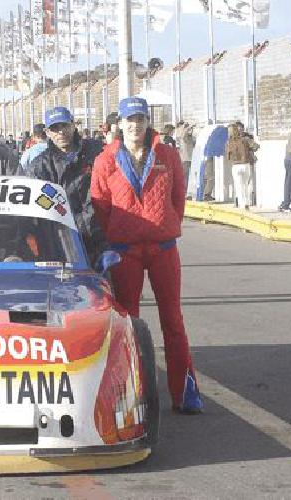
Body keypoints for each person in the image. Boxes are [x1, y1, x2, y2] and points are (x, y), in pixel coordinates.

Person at [90, 97, 204, 415]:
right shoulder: (106, 159)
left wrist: (164, 226)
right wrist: (120, 231)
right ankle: (129, 393)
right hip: (125, 251)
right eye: (129, 119)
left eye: (140, 119)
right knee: (128, 322)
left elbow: (178, 198)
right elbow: (100, 204)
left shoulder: (166, 154)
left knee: (173, 319)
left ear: (147, 121)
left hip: (163, 248)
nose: (134, 125)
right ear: (119, 123)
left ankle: (184, 390)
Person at [26, 106, 106, 265]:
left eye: (64, 125)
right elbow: (38, 200)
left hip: (101, 235)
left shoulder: (97, 151)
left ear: (73, 125)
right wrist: (60, 212)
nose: (61, 132)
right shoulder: (40, 165)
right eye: (55, 128)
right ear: (47, 133)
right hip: (64, 240)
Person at [225, 123, 254, 209]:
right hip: (245, 165)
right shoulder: (245, 139)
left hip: (236, 166)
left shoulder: (229, 142)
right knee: (245, 184)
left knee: (239, 186)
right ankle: (247, 204)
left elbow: (228, 156)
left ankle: (242, 205)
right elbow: (255, 146)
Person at [176, 122, 196, 198]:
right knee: (185, 177)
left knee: (189, 177)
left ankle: (188, 192)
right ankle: (184, 193)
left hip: (191, 160)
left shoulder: (191, 139)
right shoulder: (184, 138)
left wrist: (192, 128)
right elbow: (183, 135)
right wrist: (187, 127)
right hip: (185, 160)